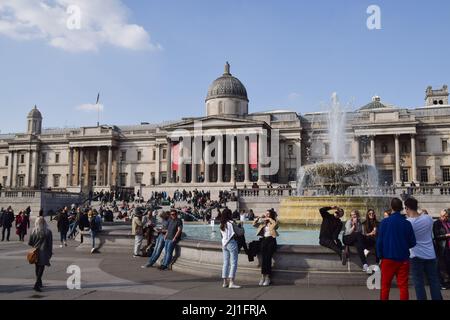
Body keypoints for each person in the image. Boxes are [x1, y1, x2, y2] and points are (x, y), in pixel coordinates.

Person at [376, 198, 416, 300]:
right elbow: (413, 242)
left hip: (388, 258)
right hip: (403, 259)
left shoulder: (384, 222)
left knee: (385, 286)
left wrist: (380, 256)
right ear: (401, 208)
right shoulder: (407, 223)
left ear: (391, 207)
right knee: (403, 287)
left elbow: (379, 242)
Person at [404, 197, 442, 300]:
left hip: (416, 255)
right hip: (430, 254)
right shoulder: (428, 218)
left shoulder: (408, 222)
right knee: (434, 281)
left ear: (407, 208)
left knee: (419, 283)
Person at [253, 209, 279, 286]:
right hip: (264, 241)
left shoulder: (274, 221)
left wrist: (270, 219)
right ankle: (263, 277)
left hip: (271, 241)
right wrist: (258, 218)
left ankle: (268, 278)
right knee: (264, 259)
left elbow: (276, 225)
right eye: (266, 213)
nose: (266, 215)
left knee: (268, 259)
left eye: (268, 214)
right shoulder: (263, 223)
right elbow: (254, 224)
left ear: (271, 215)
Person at [28, 217, 53, 292]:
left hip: (35, 251)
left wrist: (35, 244)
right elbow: (50, 244)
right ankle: (37, 284)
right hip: (44, 252)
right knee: (41, 267)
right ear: (44, 223)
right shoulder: (48, 232)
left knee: (37, 267)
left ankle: (39, 282)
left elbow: (30, 243)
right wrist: (50, 253)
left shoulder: (33, 231)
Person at [220, 208, 241, 289]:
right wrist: (241, 228)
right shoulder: (231, 223)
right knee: (233, 263)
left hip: (224, 244)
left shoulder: (221, 224)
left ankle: (224, 282)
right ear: (229, 215)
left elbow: (221, 236)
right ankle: (231, 281)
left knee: (225, 263)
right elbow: (239, 232)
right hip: (231, 243)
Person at [433, 209, 450, 290]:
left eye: (447, 216)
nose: (446, 218)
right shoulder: (437, 223)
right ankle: (443, 283)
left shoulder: (448, 222)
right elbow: (436, 236)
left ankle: (447, 282)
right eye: (444, 216)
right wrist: (446, 235)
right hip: (443, 247)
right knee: (443, 266)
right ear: (441, 216)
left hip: (448, 247)